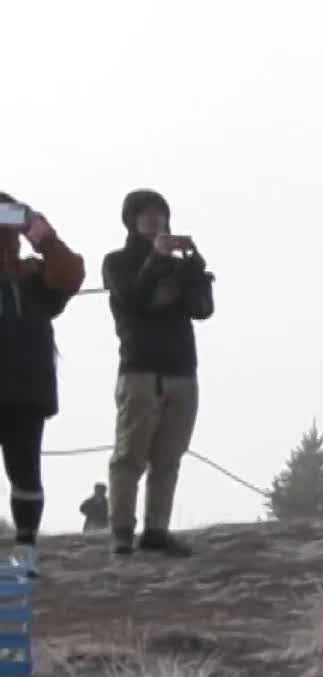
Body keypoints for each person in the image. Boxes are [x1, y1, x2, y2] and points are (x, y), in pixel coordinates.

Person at [101, 188, 213, 558]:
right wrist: (155, 259)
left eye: (159, 213)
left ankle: (157, 529)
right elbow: (133, 299)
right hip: (139, 369)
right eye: (145, 213)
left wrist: (196, 271)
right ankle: (121, 531)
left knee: (169, 457)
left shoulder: (179, 267)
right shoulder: (117, 262)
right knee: (129, 455)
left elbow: (203, 311)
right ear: (131, 220)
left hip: (182, 369)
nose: (153, 219)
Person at [0, 192, 86, 578]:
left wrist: (44, 236)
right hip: (27, 388)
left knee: (25, 472)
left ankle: (26, 550)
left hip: (26, 390)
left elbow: (70, 277)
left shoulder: (34, 277)